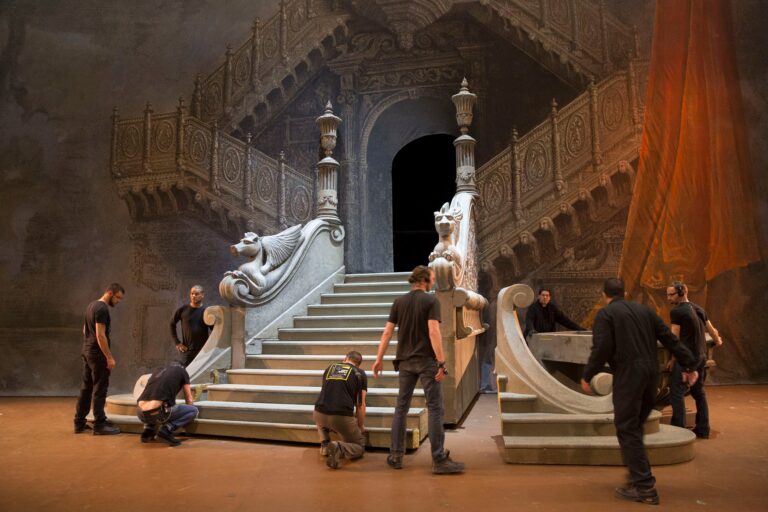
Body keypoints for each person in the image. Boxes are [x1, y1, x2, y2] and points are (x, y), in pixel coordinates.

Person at [580, 278, 699, 505]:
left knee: (627, 428)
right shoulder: (645, 311)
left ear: (604, 294)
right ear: (624, 292)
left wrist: (587, 375)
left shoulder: (606, 314)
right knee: (633, 429)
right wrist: (690, 364)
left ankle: (644, 487)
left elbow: (602, 348)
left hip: (629, 376)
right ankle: (638, 479)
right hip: (650, 376)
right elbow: (670, 339)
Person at [372, 265, 464, 474]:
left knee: (401, 408)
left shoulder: (399, 302)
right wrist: (442, 362)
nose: (434, 282)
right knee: (434, 408)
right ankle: (439, 459)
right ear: (424, 280)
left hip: (404, 362)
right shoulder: (431, 300)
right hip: (426, 361)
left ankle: (395, 456)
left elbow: (387, 333)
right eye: (432, 279)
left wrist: (379, 359)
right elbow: (433, 330)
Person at [666, 281, 723, 439]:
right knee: (699, 392)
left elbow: (674, 338)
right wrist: (717, 340)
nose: (668, 297)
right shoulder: (699, 309)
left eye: (671, 294)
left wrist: (672, 359)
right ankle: (703, 429)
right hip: (701, 356)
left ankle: (679, 431)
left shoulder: (677, 312)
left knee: (676, 392)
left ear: (682, 292)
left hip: (686, 358)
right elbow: (712, 331)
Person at [74, 283, 125, 435]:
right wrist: (109, 357)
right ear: (109, 293)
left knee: (86, 388)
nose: (118, 301)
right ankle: (99, 425)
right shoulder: (102, 308)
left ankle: (79, 422)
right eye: (117, 298)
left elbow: (85, 330)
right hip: (97, 355)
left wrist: (90, 345)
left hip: (87, 351)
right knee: (99, 389)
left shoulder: (91, 305)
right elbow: (100, 335)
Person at [313, 350, 367, 469]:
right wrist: (360, 426)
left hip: (318, 413)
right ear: (358, 364)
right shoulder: (360, 373)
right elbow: (360, 405)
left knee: (322, 415)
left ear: (345, 359)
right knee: (359, 446)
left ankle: (325, 444)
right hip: (341, 417)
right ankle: (339, 447)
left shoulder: (330, 368)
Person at [136, 362, 198, 446]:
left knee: (153, 402)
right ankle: (166, 430)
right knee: (193, 411)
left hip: (140, 413)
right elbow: (189, 399)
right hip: (158, 413)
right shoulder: (182, 371)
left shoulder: (158, 371)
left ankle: (148, 431)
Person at [170, 285, 212, 367]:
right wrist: (177, 343)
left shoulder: (206, 311)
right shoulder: (183, 310)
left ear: (202, 295)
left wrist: (209, 345)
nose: (193, 296)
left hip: (203, 352)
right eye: (192, 293)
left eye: (196, 294)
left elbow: (214, 330)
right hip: (187, 350)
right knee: (185, 375)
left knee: (201, 376)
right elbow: (172, 324)